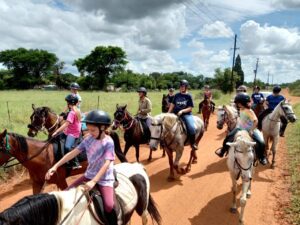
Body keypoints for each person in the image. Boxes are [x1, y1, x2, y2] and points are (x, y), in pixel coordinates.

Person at [46, 110, 118, 225]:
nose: (90, 132)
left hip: (104, 179)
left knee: (109, 206)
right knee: (65, 193)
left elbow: (107, 163)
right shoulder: (88, 139)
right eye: (88, 129)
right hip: (89, 175)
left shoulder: (108, 142)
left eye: (93, 130)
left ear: (103, 127)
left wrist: (94, 182)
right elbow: (73, 152)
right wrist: (55, 166)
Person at [215, 93, 268, 165]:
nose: (236, 104)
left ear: (240, 103)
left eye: (237, 103)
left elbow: (256, 121)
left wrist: (251, 130)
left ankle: (262, 157)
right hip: (240, 128)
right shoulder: (241, 109)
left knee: (261, 142)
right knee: (228, 137)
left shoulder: (249, 111)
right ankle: (223, 150)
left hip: (250, 129)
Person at [52, 94, 82, 169]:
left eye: (67, 103)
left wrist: (56, 131)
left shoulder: (72, 112)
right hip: (70, 130)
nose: (67, 104)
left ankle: (75, 163)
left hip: (73, 133)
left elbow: (66, 124)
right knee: (58, 138)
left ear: (69, 103)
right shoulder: (76, 110)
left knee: (67, 147)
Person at [168, 79, 198, 151]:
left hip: (186, 115)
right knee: (165, 125)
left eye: (183, 86)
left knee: (191, 128)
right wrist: (168, 113)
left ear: (186, 87)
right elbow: (172, 104)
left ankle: (193, 143)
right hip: (175, 114)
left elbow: (190, 108)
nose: (181, 87)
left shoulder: (189, 96)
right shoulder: (176, 95)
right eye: (181, 86)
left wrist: (182, 111)